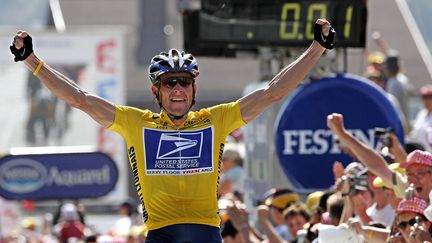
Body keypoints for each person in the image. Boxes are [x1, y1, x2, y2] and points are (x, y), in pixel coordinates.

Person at [10, 18, 334, 242]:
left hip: (207, 230)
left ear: (194, 88)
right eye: (169, 83)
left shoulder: (215, 119)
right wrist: (32, 61)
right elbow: (79, 99)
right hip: (161, 232)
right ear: (156, 91)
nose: (178, 89)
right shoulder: (136, 122)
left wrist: (317, 48)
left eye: (184, 82)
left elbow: (273, 92)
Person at [327, 113, 432, 203]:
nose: (413, 179)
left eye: (420, 173)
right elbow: (377, 166)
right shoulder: (408, 189)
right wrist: (342, 133)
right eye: (409, 174)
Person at [410, 84, 432, 151]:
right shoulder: (421, 114)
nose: (427, 101)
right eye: (424, 97)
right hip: (420, 153)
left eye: (430, 97)